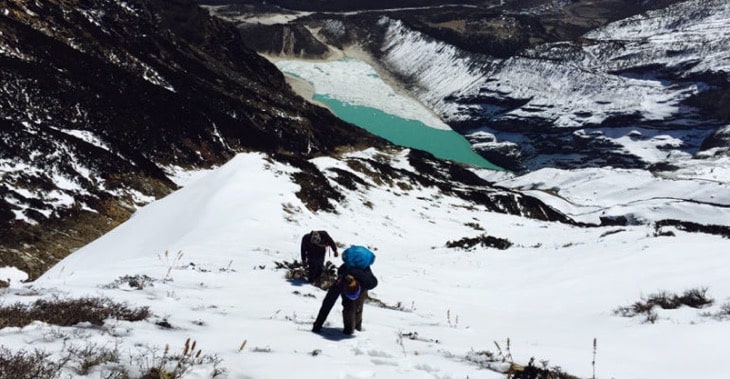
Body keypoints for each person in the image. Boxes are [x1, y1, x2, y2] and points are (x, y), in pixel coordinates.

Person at [312, 246, 377, 335]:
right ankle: (349, 331)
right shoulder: (340, 283)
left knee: (358, 307)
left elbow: (374, 283)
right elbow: (328, 303)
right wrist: (317, 325)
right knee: (348, 307)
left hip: (360, 284)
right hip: (347, 282)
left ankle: (357, 329)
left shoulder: (366, 279)